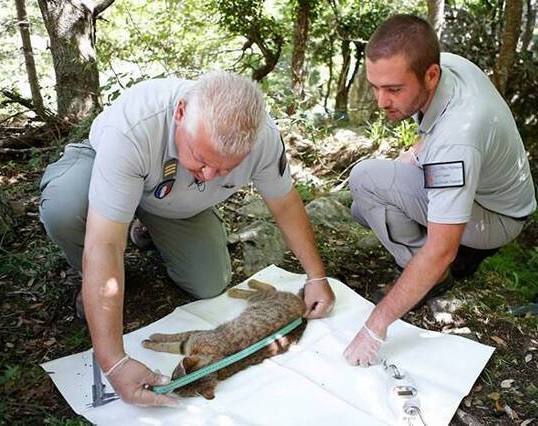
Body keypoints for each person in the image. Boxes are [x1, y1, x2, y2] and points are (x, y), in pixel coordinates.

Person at [39, 71, 335, 406]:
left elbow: (285, 203)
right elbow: (103, 244)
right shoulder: (135, 128)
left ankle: (145, 228)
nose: (209, 174)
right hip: (104, 170)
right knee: (65, 210)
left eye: (225, 169)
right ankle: (96, 263)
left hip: (173, 201)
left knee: (209, 282)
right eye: (203, 158)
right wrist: (114, 361)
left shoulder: (263, 138)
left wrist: (316, 276)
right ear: (180, 113)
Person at [343, 14, 536, 367]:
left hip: (498, 217)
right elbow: (435, 125)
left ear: (430, 74)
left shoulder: (458, 138)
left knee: (366, 179)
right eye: (375, 86)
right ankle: (430, 254)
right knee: (361, 208)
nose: (381, 101)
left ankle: (433, 278)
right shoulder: (449, 65)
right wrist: (417, 151)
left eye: (393, 90)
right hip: (487, 192)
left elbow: (441, 249)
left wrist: (376, 324)